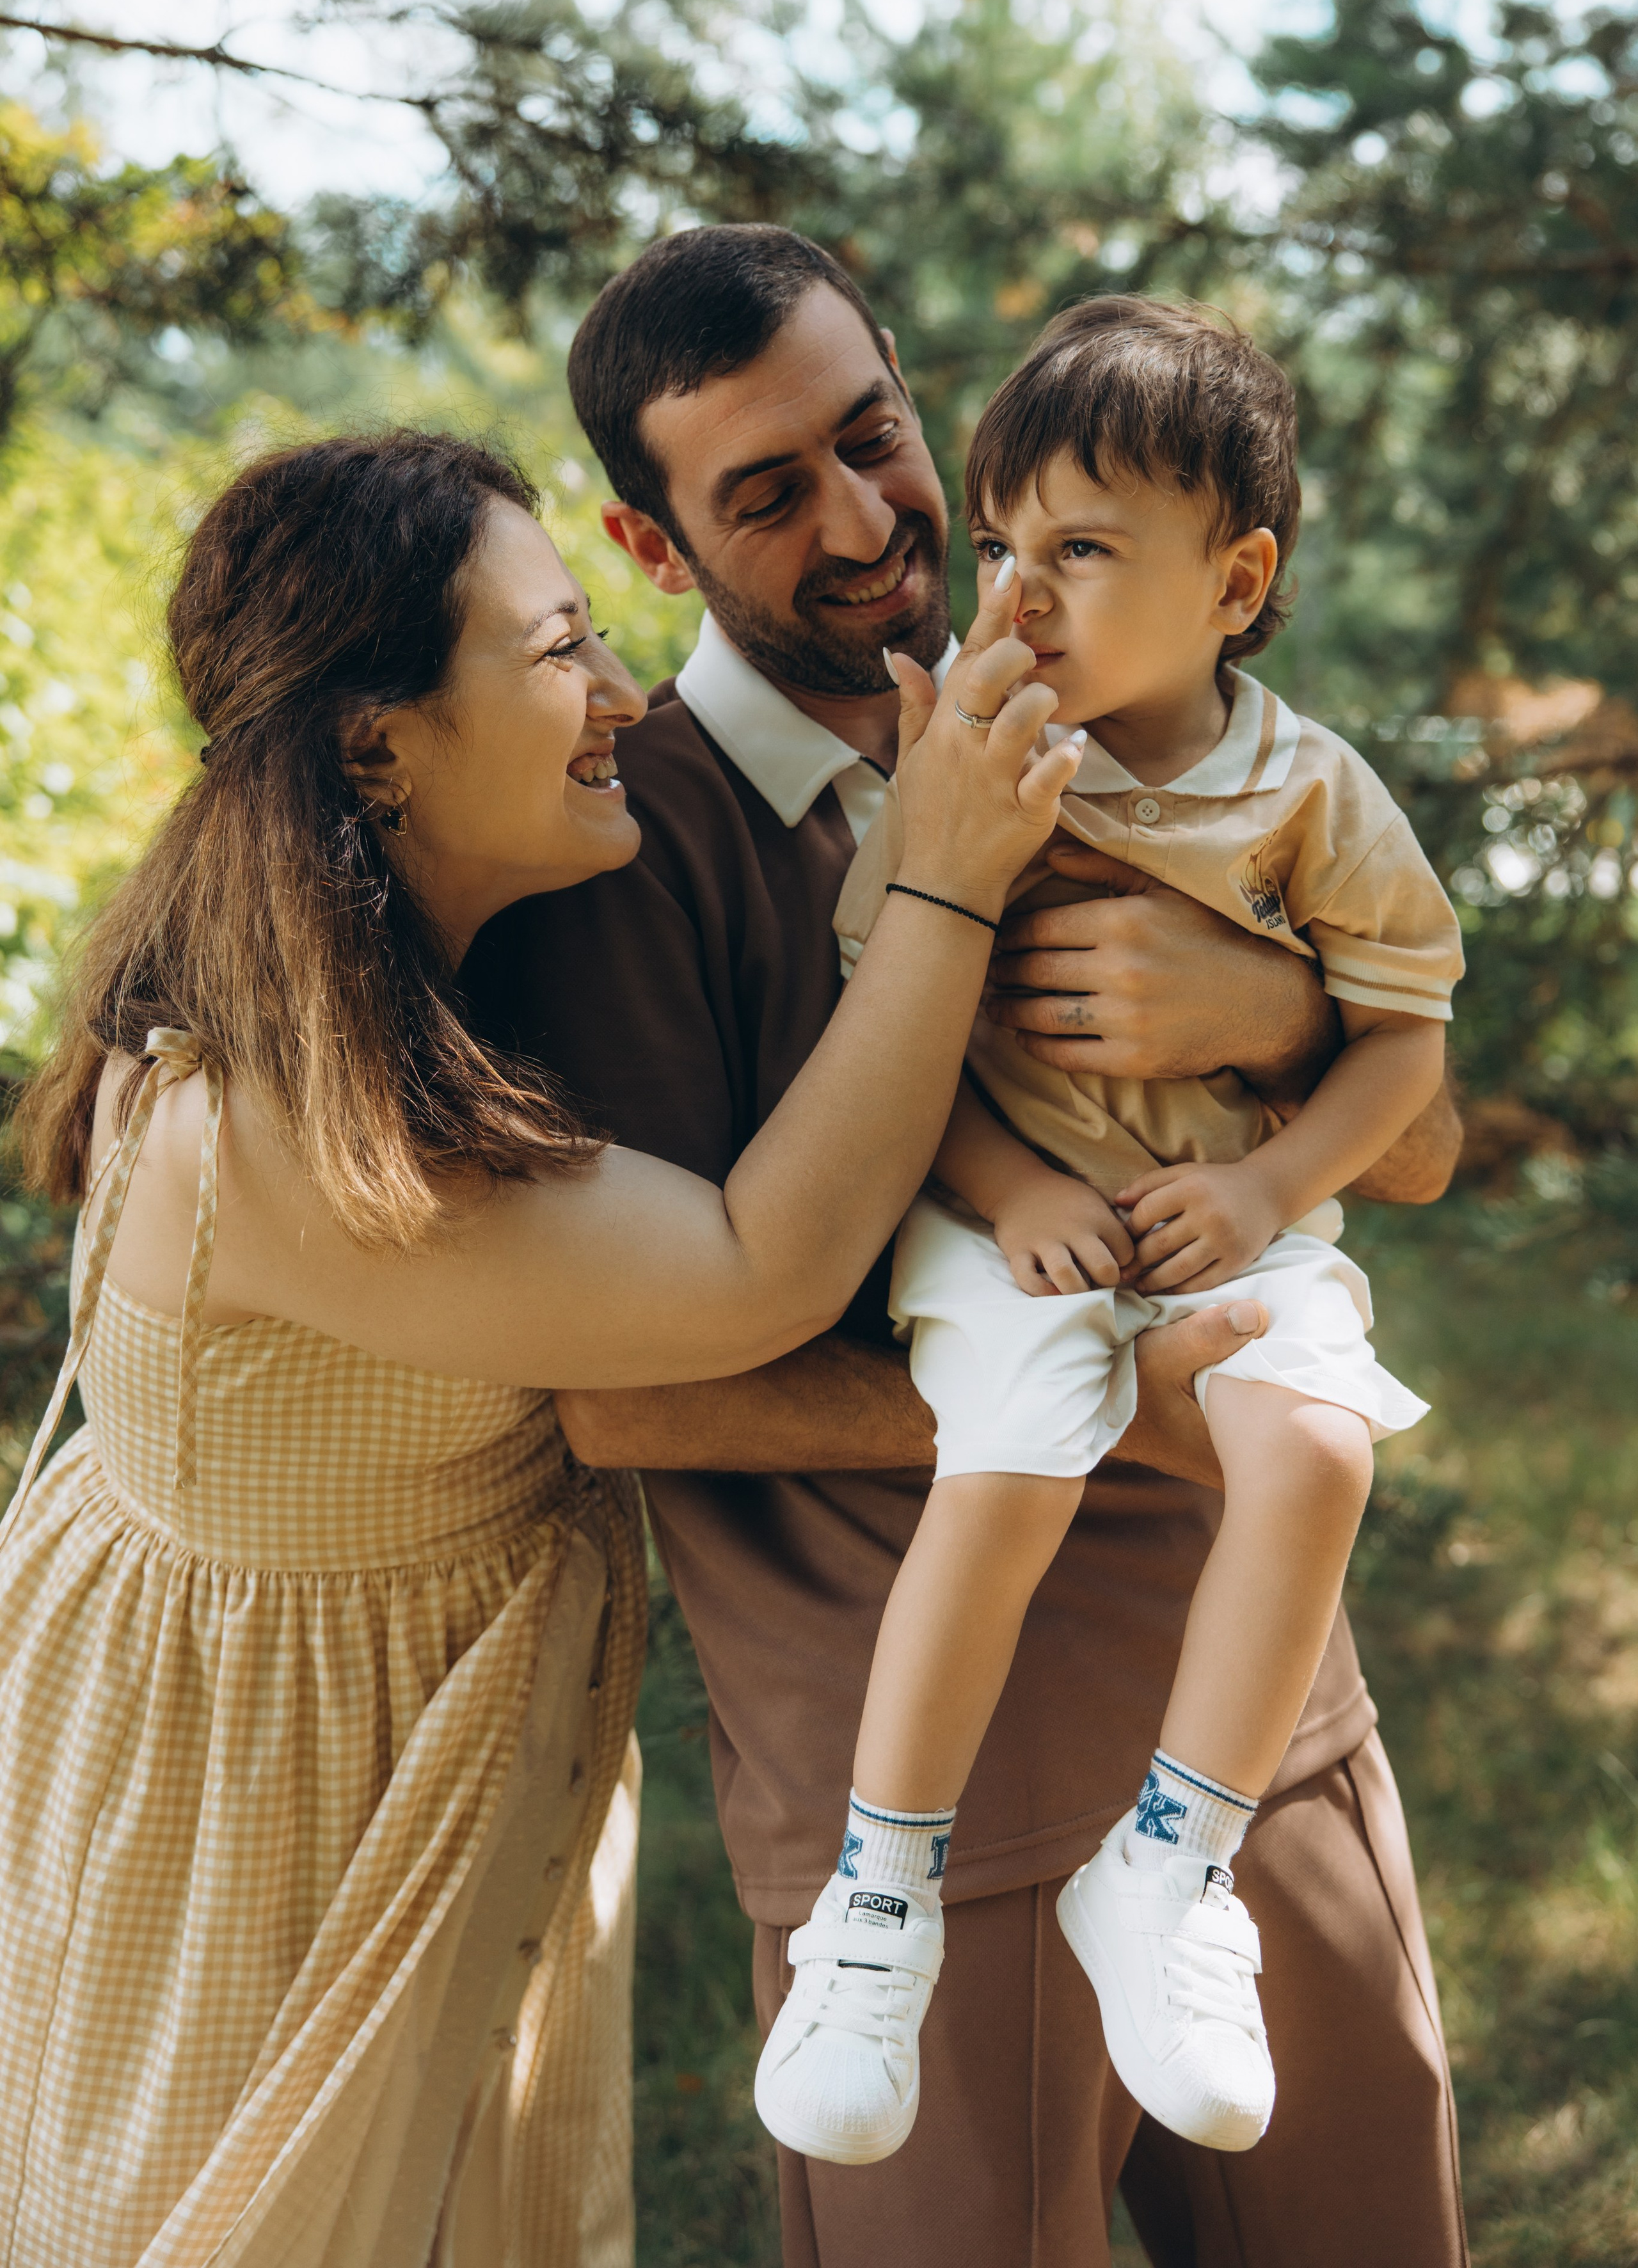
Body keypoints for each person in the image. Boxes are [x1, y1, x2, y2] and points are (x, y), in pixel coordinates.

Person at [463, 226, 1470, 2268]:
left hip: (1249, 1729)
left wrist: (1267, 1018)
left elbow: (1418, 1135)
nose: (866, 520)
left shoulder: (1140, 682)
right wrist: (1118, 1417)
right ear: (650, 549)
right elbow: (626, 1386)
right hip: (918, 1827)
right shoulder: (622, 858)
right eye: (766, 491)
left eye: (875, 433)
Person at [0, 427, 1070, 2267]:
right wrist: (950, 879)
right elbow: (758, 1264)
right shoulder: (288, 1130)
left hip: (325, 1729)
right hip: (272, 1809)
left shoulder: (332, 987)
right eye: (558, 646)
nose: (623, 690)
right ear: (375, 744)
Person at [754, 294, 1461, 2168]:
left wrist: (1263, 1184)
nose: (1019, 591)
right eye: (1001, 546)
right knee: (1010, 1465)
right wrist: (1010, 1192)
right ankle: (877, 1900)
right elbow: (896, 1025)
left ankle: (1173, 1864)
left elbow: (1406, 1056)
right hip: (1016, 1223)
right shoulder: (984, 758)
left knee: (1317, 1448)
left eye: (1081, 547)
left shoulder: (1309, 790)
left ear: (1236, 584)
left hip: (1233, 1215)